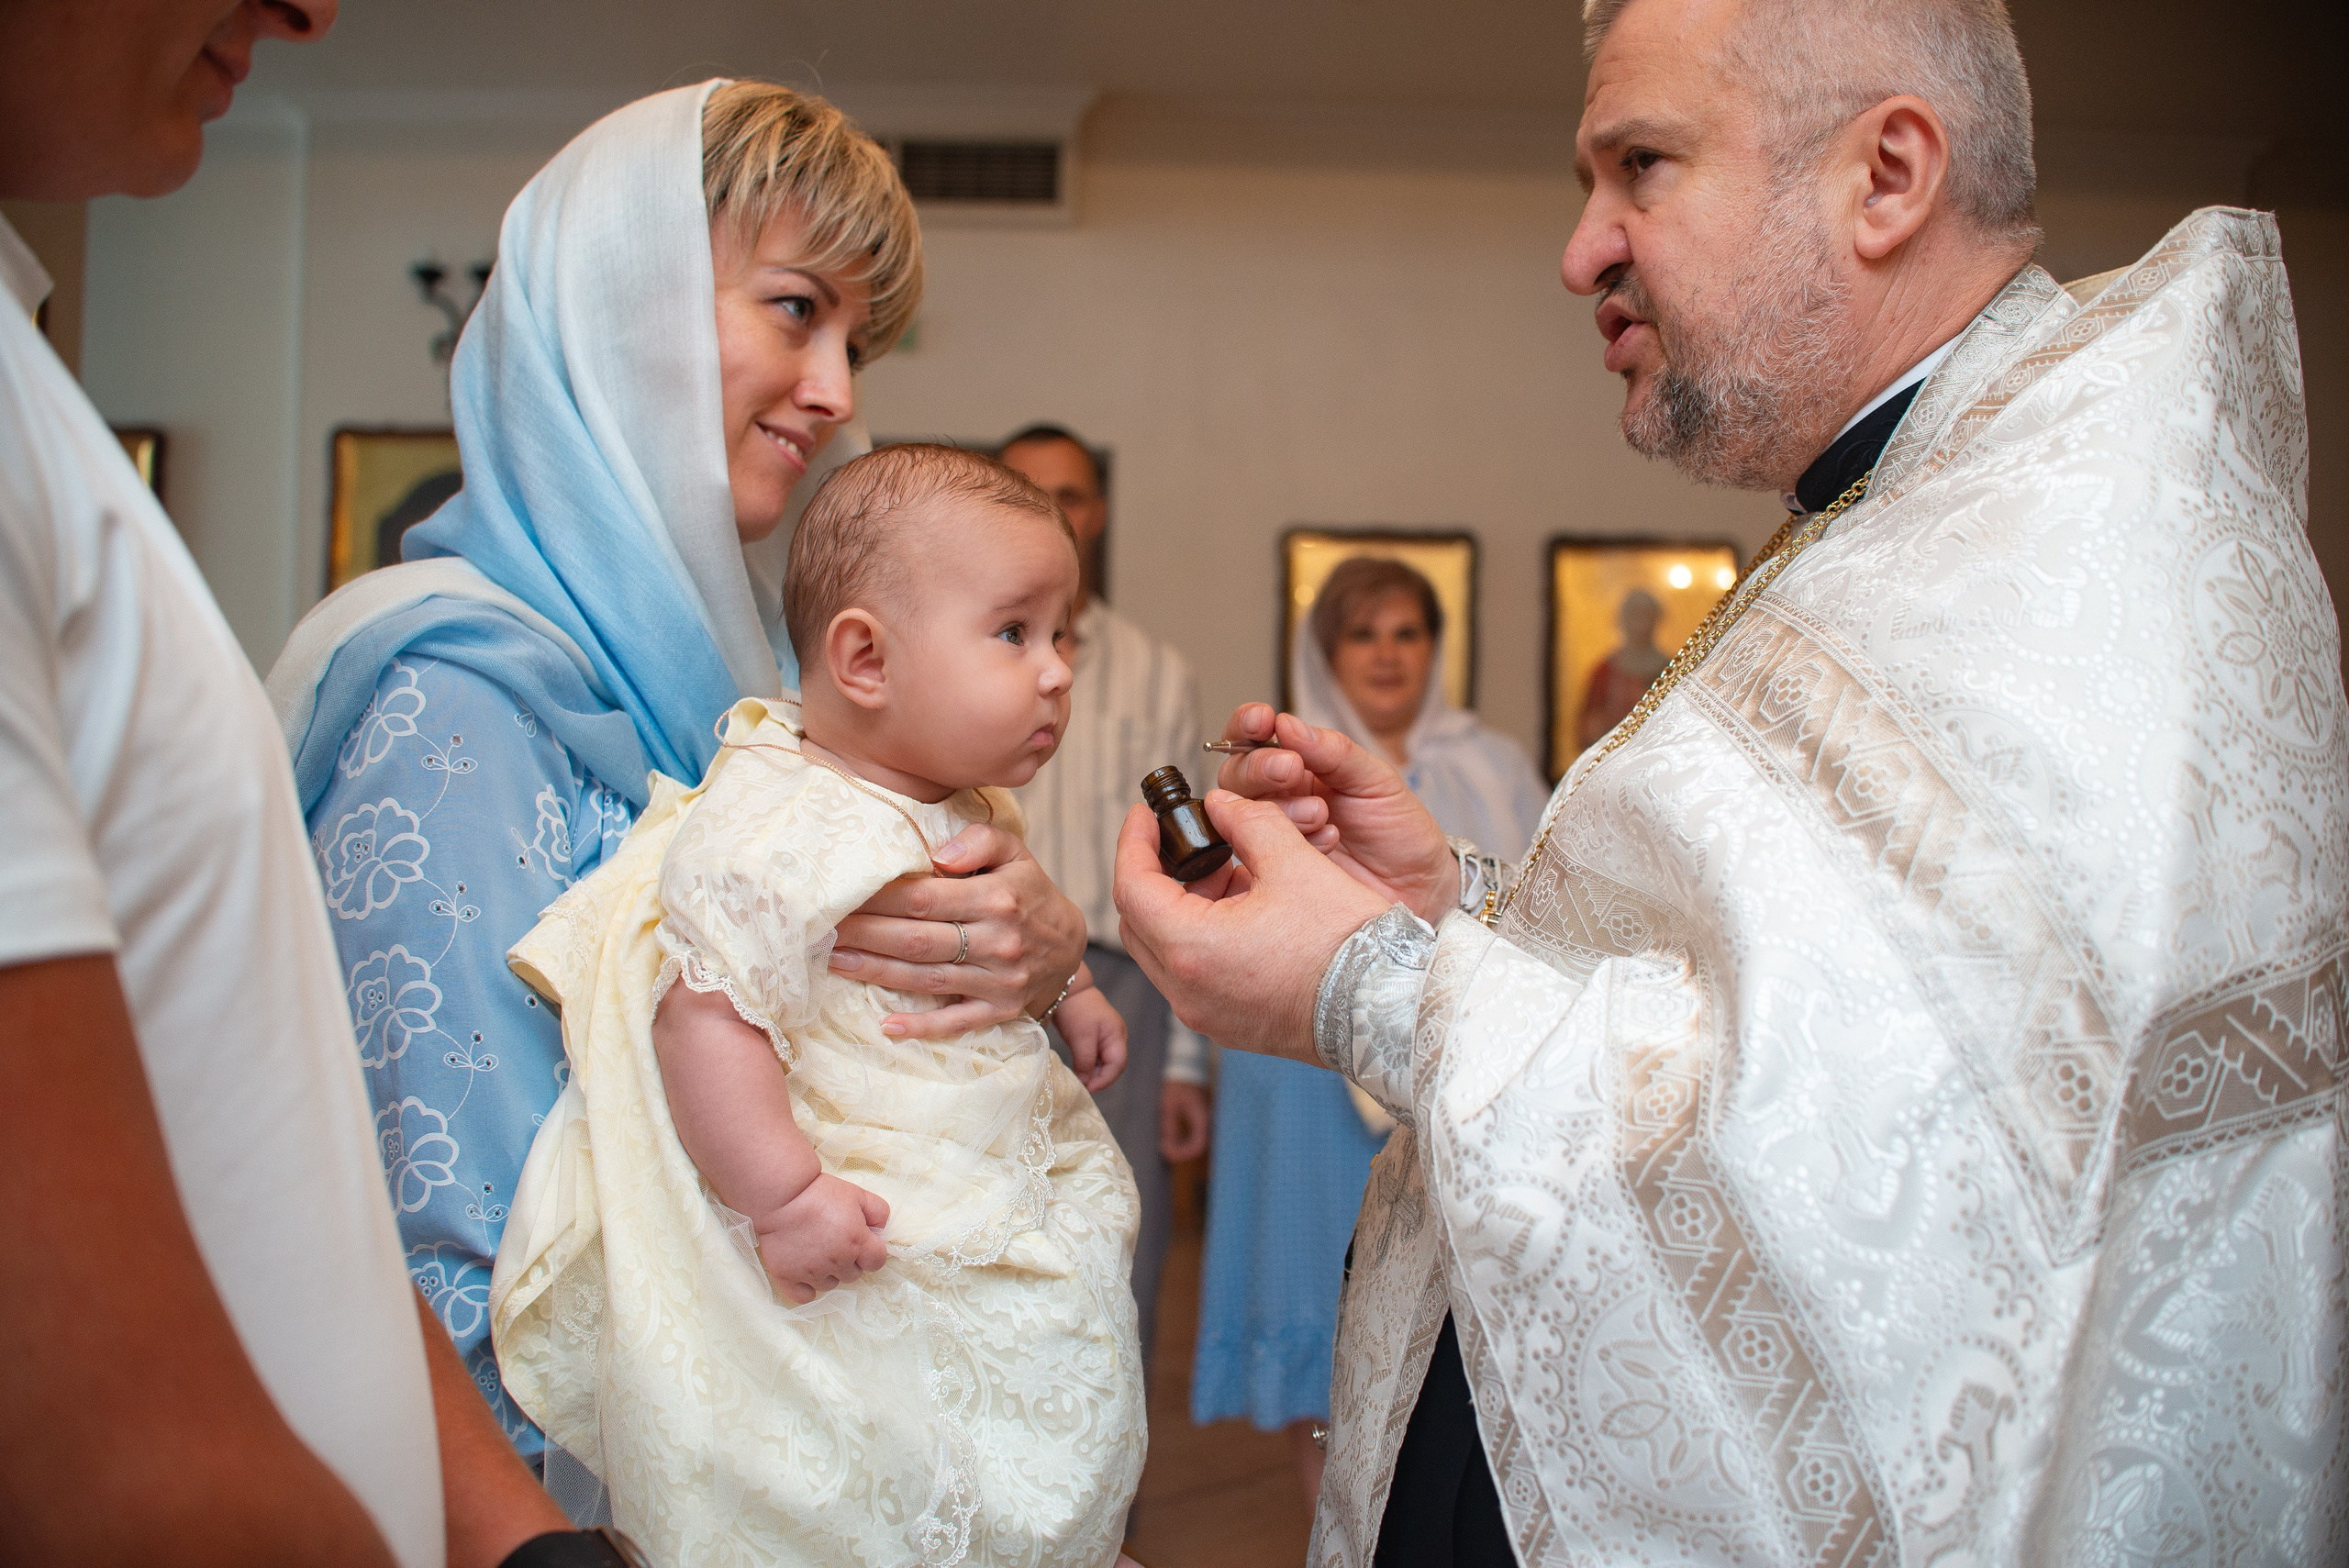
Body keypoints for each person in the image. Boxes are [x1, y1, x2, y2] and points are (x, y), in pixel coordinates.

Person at [1115, 0, 2348, 1563]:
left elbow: (1884, 1177)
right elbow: (1769, 983)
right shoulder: (1919, 503)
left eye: (1640, 165)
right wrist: (1452, 902)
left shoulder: (2078, 570)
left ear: (1886, 177)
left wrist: (1369, 985)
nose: (1581, 249)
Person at [266, 80, 1092, 1498]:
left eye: (854, 343)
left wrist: (1034, 948)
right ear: (618, 304)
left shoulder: (758, 684)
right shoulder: (447, 697)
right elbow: (467, 1256)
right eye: (795, 310)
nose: (837, 392)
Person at [0, 1, 585, 1562]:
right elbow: (98, 1435)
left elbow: (285, 1185)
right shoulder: (444, 698)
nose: (311, 11)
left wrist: (520, 1538)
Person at [490, 445, 1147, 1566]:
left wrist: (1070, 984)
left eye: (1060, 635)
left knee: (1034, 1341)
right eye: (1014, 632)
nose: (1055, 673)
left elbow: (1005, 919)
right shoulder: (780, 820)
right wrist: (786, 1195)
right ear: (864, 658)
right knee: (875, 1403)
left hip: (979, 1150)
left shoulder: (963, 800)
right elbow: (705, 1015)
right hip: (855, 1184)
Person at [1192, 555, 1548, 1506]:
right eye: (1362, 633)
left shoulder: (1493, 760)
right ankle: (1335, 1521)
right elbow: (1224, 922)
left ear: (1435, 647)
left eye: (1406, 632)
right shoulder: (1275, 772)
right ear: (1325, 651)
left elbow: (1544, 909)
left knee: (1439, 1324)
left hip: (1446, 1055)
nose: (1387, 654)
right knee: (1320, 1300)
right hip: (1302, 1068)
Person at [998, 422, 1212, 1378]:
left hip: (1122, 987)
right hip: (983, 968)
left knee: (1117, 1232)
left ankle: (1109, 1460)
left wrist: (1187, 1061)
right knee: (986, 1230)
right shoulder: (954, 652)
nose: (1052, 510)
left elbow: (1185, 865)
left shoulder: (1156, 669)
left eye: (1072, 493)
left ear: (1100, 511)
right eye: (1026, 489)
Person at [1574, 585, 1667, 750]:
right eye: (1635, 615)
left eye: (1647, 615)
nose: (1641, 625)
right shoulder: (1605, 672)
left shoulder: (1668, 668)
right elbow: (1587, 729)